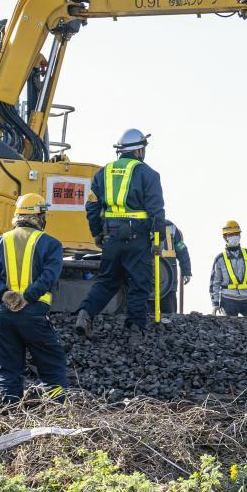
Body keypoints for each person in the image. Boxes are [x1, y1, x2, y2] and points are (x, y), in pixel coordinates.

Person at [0, 193, 67, 403]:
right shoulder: (51, 244)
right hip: (34, 313)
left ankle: (10, 413)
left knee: (8, 369)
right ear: (39, 215)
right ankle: (58, 412)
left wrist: (4, 294)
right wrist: (28, 297)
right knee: (51, 366)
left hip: (2, 315)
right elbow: (49, 276)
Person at [75, 128, 166, 338]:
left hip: (111, 237)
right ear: (138, 151)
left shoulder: (103, 173)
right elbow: (157, 212)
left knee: (106, 281)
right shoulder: (149, 174)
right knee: (139, 282)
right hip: (138, 237)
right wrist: (157, 240)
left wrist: (97, 234)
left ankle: (85, 314)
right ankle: (135, 330)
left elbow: (91, 207)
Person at [209, 220, 247, 316]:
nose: (234, 236)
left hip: (246, 300)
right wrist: (215, 304)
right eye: (231, 234)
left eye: (236, 234)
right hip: (228, 300)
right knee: (229, 326)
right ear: (225, 237)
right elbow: (215, 282)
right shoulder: (220, 259)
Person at [160, 219, 192, 321]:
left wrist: (186, 271)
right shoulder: (143, 223)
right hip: (148, 284)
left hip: (169, 283)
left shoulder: (171, 227)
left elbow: (181, 250)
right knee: (148, 316)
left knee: (170, 316)